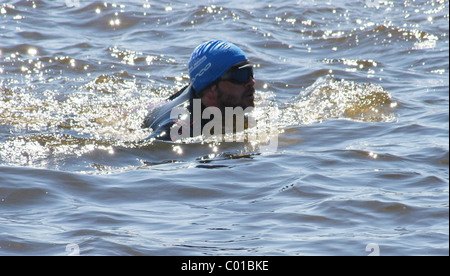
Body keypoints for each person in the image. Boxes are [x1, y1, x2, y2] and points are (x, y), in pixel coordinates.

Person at [142, 40, 256, 141]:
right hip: (151, 115)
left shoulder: (207, 89)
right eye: (241, 75)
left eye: (250, 72)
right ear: (212, 90)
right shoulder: (179, 128)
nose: (251, 82)